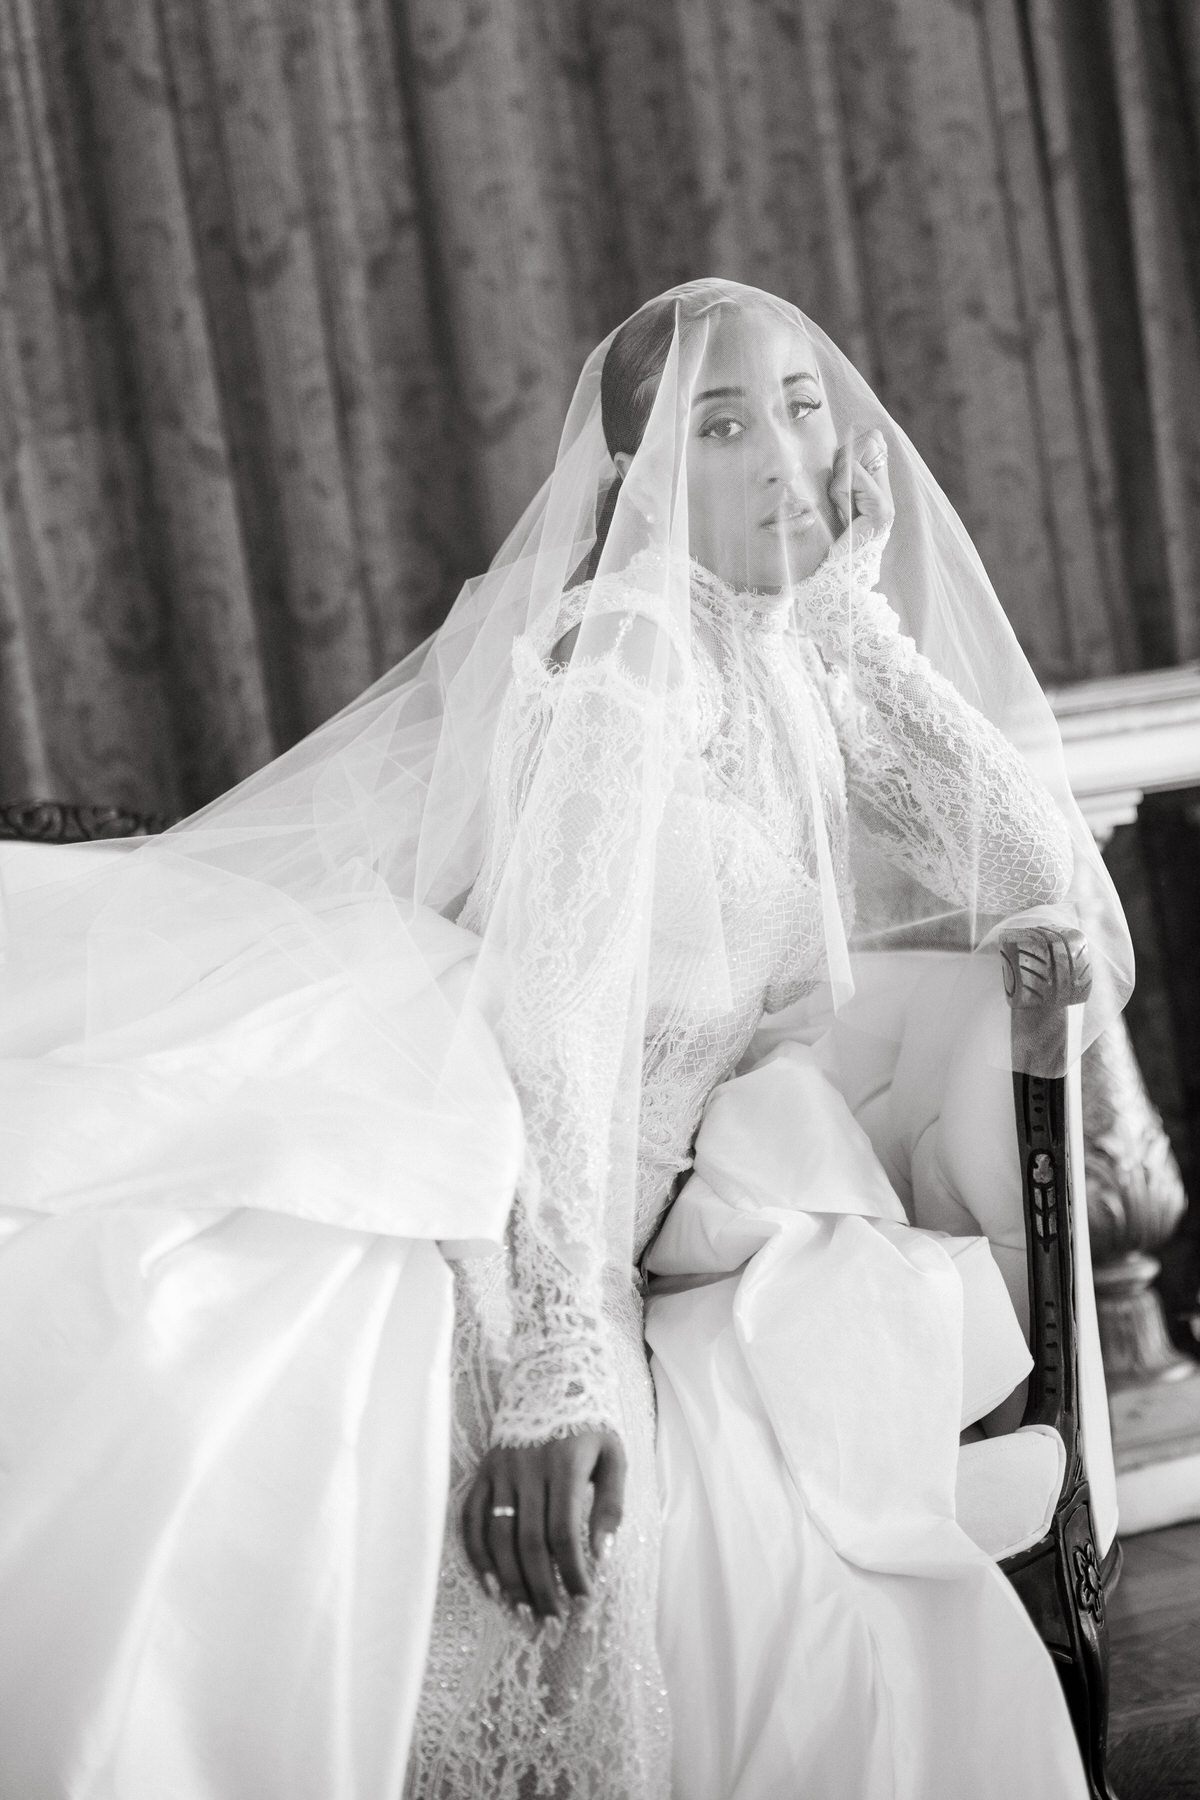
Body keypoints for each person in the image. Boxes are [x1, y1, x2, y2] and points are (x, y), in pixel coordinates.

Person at [0, 281, 1130, 1800]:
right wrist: (558, 1363)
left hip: (612, 1182)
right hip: (513, 1174)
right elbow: (558, 1021)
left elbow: (1044, 877)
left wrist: (857, 624)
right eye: (720, 427)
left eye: (802, 404)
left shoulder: (789, 651)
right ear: (645, 476)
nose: (785, 453)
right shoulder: (632, 661)